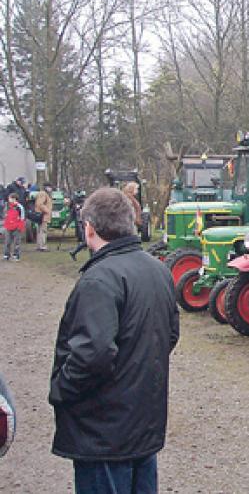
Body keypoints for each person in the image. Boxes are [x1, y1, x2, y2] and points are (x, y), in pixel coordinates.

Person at [48, 187, 179, 494]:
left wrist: (61, 390)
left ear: (89, 227)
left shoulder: (100, 280)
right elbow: (169, 334)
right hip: (141, 420)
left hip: (103, 429)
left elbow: (92, 354)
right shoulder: (157, 269)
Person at [3, 192, 25, 261]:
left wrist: (20, 227)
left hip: (16, 227)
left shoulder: (20, 207)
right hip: (8, 227)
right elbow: (5, 215)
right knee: (7, 242)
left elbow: (22, 218)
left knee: (17, 242)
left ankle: (16, 255)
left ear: (14, 199)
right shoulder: (7, 206)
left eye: (10, 198)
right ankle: (6, 255)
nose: (8, 199)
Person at [34, 183, 54, 251]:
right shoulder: (43, 194)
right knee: (43, 231)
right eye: (50, 187)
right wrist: (47, 211)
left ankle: (40, 246)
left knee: (40, 231)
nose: (51, 189)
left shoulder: (44, 194)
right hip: (43, 216)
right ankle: (42, 246)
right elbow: (40, 204)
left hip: (43, 215)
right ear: (46, 187)